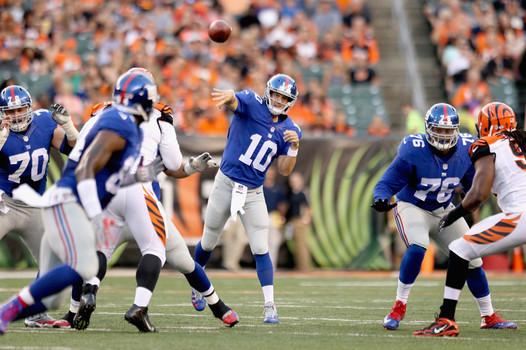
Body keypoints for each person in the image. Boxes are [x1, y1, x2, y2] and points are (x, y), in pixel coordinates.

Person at [65, 69, 238, 331]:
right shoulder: (157, 117)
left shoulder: (101, 112)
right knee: (163, 251)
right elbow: (170, 165)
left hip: (108, 193)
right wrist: (191, 168)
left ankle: (81, 301)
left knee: (100, 251)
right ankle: (142, 307)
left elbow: (78, 153)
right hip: (140, 192)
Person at [0, 71, 160, 336]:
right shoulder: (120, 124)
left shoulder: (122, 122)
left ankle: (9, 312)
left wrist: (140, 176)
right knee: (83, 266)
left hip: (60, 202)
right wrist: (95, 213)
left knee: (57, 292)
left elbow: (107, 174)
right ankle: (8, 311)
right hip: (68, 203)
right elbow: (85, 167)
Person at [372, 102, 515, 331]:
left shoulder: (467, 149)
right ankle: (399, 305)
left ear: (457, 130)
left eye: (449, 130)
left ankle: (488, 316)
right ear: (428, 128)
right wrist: (381, 197)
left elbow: (471, 187)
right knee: (418, 246)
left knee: (472, 258)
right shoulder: (414, 148)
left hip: (445, 210)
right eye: (439, 129)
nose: (444, 134)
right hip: (412, 206)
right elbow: (387, 182)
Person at [192, 73, 302, 324]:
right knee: (208, 241)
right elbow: (234, 100)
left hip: (253, 191)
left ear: (291, 101)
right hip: (226, 182)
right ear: (267, 92)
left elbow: (285, 169)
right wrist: (229, 95)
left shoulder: (292, 129)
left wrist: (294, 148)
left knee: (261, 248)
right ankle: (197, 285)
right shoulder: (252, 103)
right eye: (275, 93)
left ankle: (270, 304)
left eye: (284, 97)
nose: (278, 99)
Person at [415, 102, 521, 337]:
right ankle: (484, 317)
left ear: (485, 126)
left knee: (460, 249)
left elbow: (479, 194)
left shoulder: (486, 144)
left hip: (519, 216)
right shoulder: (521, 143)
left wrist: (455, 213)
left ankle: (446, 320)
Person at [0, 85, 78, 328]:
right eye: (10, 112)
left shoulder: (44, 122)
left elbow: (76, 151)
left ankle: (36, 314)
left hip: (34, 205)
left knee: (55, 259)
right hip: (6, 203)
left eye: (20, 109)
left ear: (30, 107)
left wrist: (69, 127)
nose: (16, 116)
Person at [285, 171, 312, 271]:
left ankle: (304, 266)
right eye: (292, 181)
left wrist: (306, 218)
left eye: (295, 180)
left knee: (302, 244)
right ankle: (299, 265)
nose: (293, 183)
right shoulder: (291, 192)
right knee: (295, 245)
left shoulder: (304, 192)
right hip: (292, 221)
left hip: (300, 221)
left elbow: (309, 206)